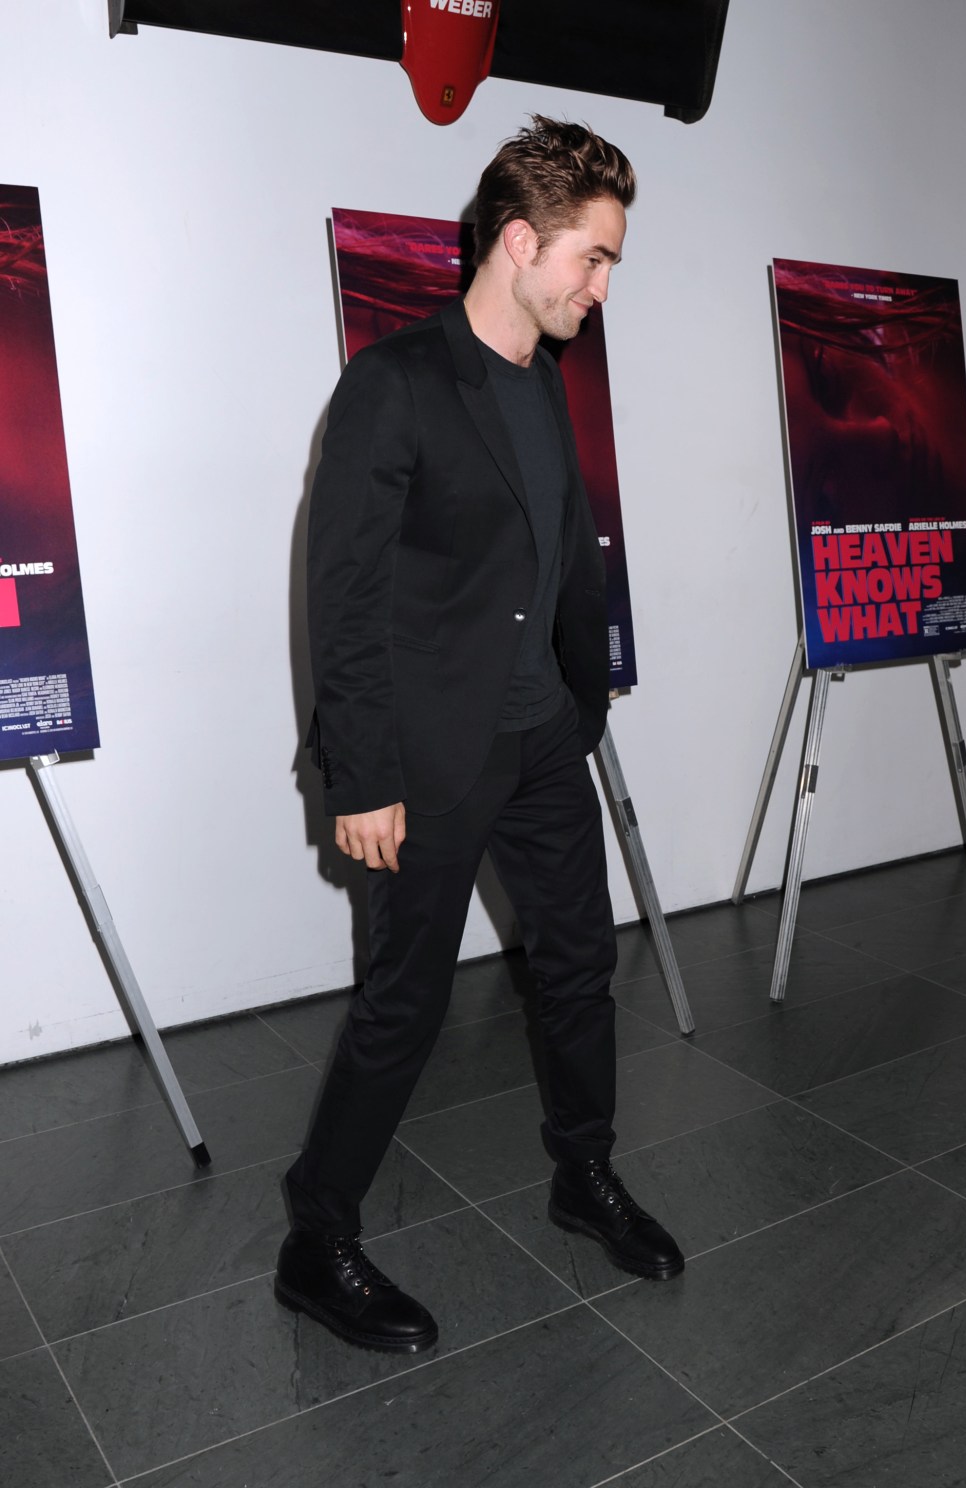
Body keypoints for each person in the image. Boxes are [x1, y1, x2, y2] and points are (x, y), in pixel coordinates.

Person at [276, 116, 683, 1355]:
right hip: (426, 760)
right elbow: (343, 598)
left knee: (578, 967)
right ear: (519, 241)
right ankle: (317, 1239)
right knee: (403, 1005)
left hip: (540, 739)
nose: (602, 285)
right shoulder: (394, 384)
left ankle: (583, 1175)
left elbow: (549, 556)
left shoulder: (544, 379)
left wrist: (578, 703)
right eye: (593, 258)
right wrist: (362, 777)